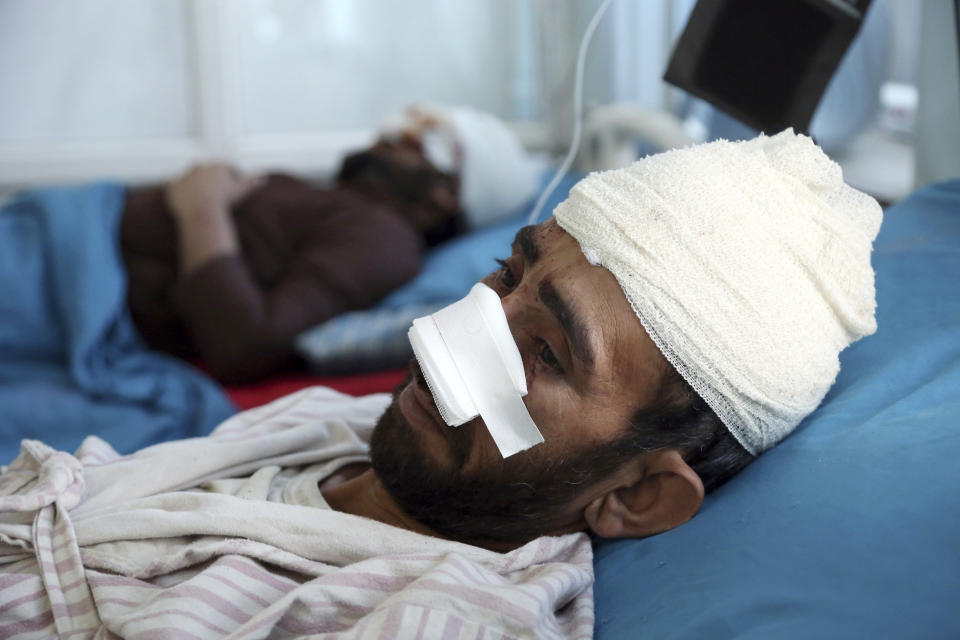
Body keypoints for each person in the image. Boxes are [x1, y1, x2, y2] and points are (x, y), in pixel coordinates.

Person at [0, 130, 881, 637]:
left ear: (637, 498)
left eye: (546, 353)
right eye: (506, 274)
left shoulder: (440, 619)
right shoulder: (338, 427)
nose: (454, 334)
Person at [121, 104, 541, 383]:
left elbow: (245, 346)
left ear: (447, 195)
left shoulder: (382, 241)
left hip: (84, 260)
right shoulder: (352, 207)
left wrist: (203, 207)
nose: (392, 132)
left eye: (419, 138)